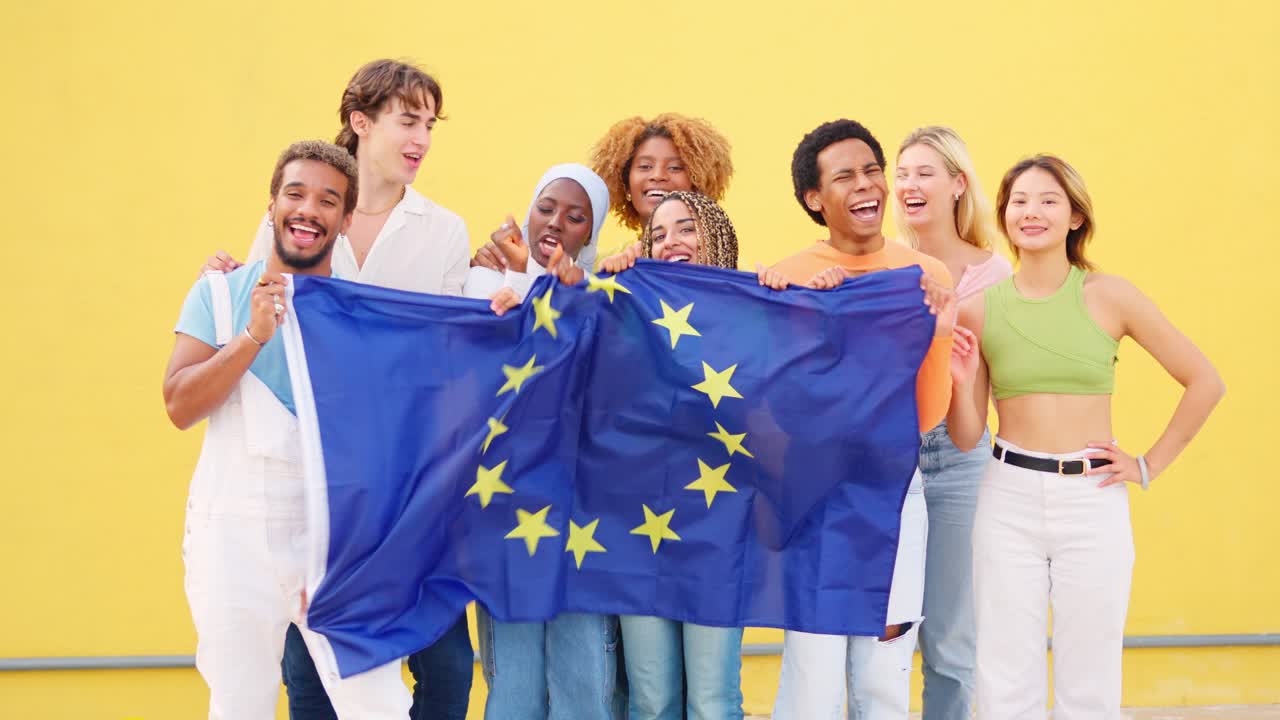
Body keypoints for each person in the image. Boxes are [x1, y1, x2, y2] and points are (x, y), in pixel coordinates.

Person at [200, 58, 475, 720]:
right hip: (315, 480)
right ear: (361, 121)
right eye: (408, 121)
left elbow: (445, 358)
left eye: (431, 126)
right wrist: (222, 279)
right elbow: (261, 325)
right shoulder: (294, 215)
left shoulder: (443, 230)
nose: (422, 140)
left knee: (443, 662)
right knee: (311, 667)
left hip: (405, 481)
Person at [946, 155, 1224, 719]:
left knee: (1090, 671)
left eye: (1049, 200)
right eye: (1019, 200)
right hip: (1008, 497)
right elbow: (966, 434)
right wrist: (959, 381)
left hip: (1092, 499)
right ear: (1004, 214)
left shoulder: (1109, 296)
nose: (1031, 211)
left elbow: (1205, 382)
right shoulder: (978, 309)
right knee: (1004, 672)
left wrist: (1146, 465)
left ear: (1075, 217)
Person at [164, 140, 412, 719]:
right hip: (231, 537)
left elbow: (386, 442)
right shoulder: (220, 296)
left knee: (378, 706)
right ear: (272, 204)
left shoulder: (362, 315)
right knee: (239, 705)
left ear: (346, 220)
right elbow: (179, 405)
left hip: (332, 543)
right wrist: (251, 337)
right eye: (295, 194)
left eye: (328, 201)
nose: (309, 210)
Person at [762, 119, 956, 719]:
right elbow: (777, 406)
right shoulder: (788, 277)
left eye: (873, 169)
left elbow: (926, 415)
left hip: (896, 491)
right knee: (813, 672)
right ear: (815, 199)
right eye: (845, 175)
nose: (868, 184)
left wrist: (942, 329)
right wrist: (809, 315)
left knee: (884, 671)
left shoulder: (923, 276)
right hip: (813, 493)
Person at [468, 163, 625, 720]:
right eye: (546, 207)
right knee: (512, 685)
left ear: (591, 233)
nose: (556, 222)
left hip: (582, 511)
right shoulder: (481, 283)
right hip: (504, 508)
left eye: (575, 216)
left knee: (583, 676)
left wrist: (556, 296)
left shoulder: (606, 299)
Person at [595, 191, 746, 720]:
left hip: (715, 531)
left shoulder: (750, 312)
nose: (671, 242)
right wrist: (608, 280)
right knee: (652, 700)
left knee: (711, 701)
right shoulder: (628, 308)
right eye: (658, 234)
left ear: (716, 234)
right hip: (640, 530)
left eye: (686, 228)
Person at [892, 126, 1010, 720]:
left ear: (958, 185)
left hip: (960, 462)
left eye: (924, 173)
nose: (908, 185)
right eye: (902, 173)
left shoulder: (996, 278)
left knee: (949, 643)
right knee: (883, 636)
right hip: (888, 459)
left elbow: (990, 400)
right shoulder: (880, 265)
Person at [471, 113, 732, 273]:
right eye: (644, 166)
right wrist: (497, 264)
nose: (658, 175)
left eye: (675, 167)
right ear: (625, 184)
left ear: (698, 182)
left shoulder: (728, 260)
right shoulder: (600, 268)